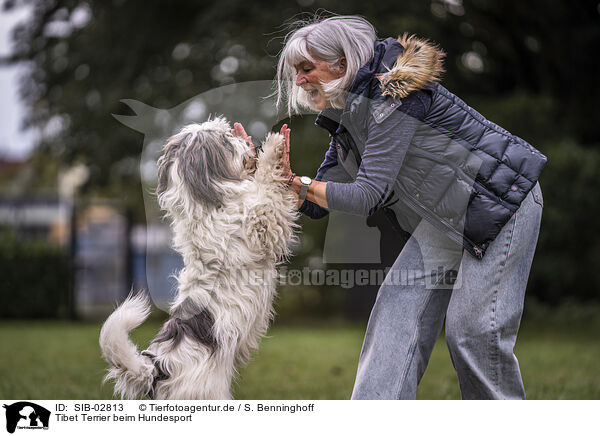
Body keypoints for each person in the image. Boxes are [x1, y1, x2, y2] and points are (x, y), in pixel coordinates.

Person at [238, 15, 545, 399]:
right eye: (296, 71)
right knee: (394, 320)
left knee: (473, 331)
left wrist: (297, 182)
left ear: (342, 63)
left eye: (306, 68)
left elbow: (368, 194)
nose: (298, 80)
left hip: (500, 202)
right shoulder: (349, 116)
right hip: (443, 219)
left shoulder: (394, 95)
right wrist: (266, 174)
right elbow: (317, 203)